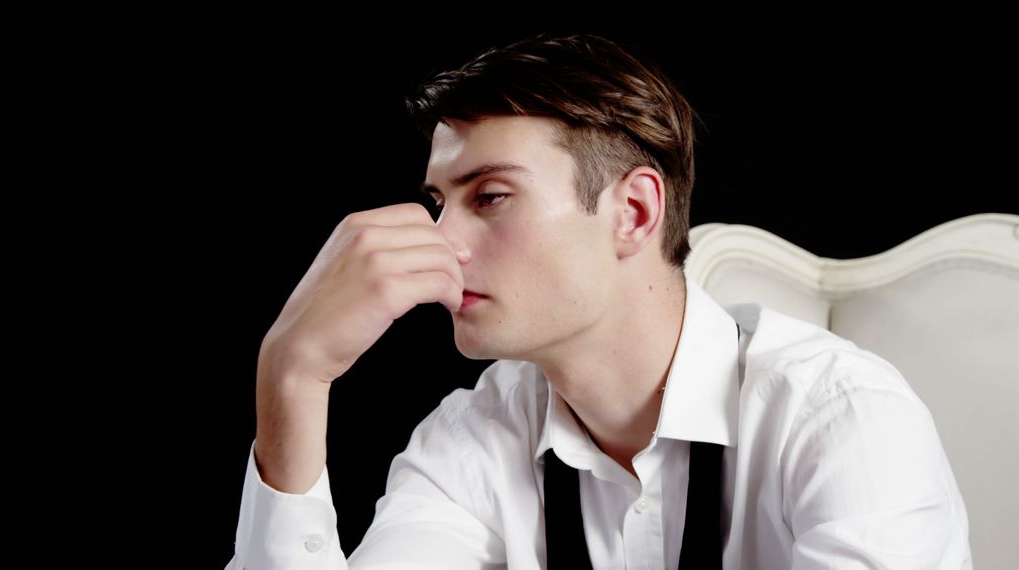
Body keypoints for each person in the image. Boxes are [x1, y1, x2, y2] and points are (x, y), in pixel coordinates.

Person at [225, 33, 971, 569]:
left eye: (490, 197)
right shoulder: (475, 438)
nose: (440, 241)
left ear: (634, 214)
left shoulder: (840, 417)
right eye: (437, 202)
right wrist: (292, 376)